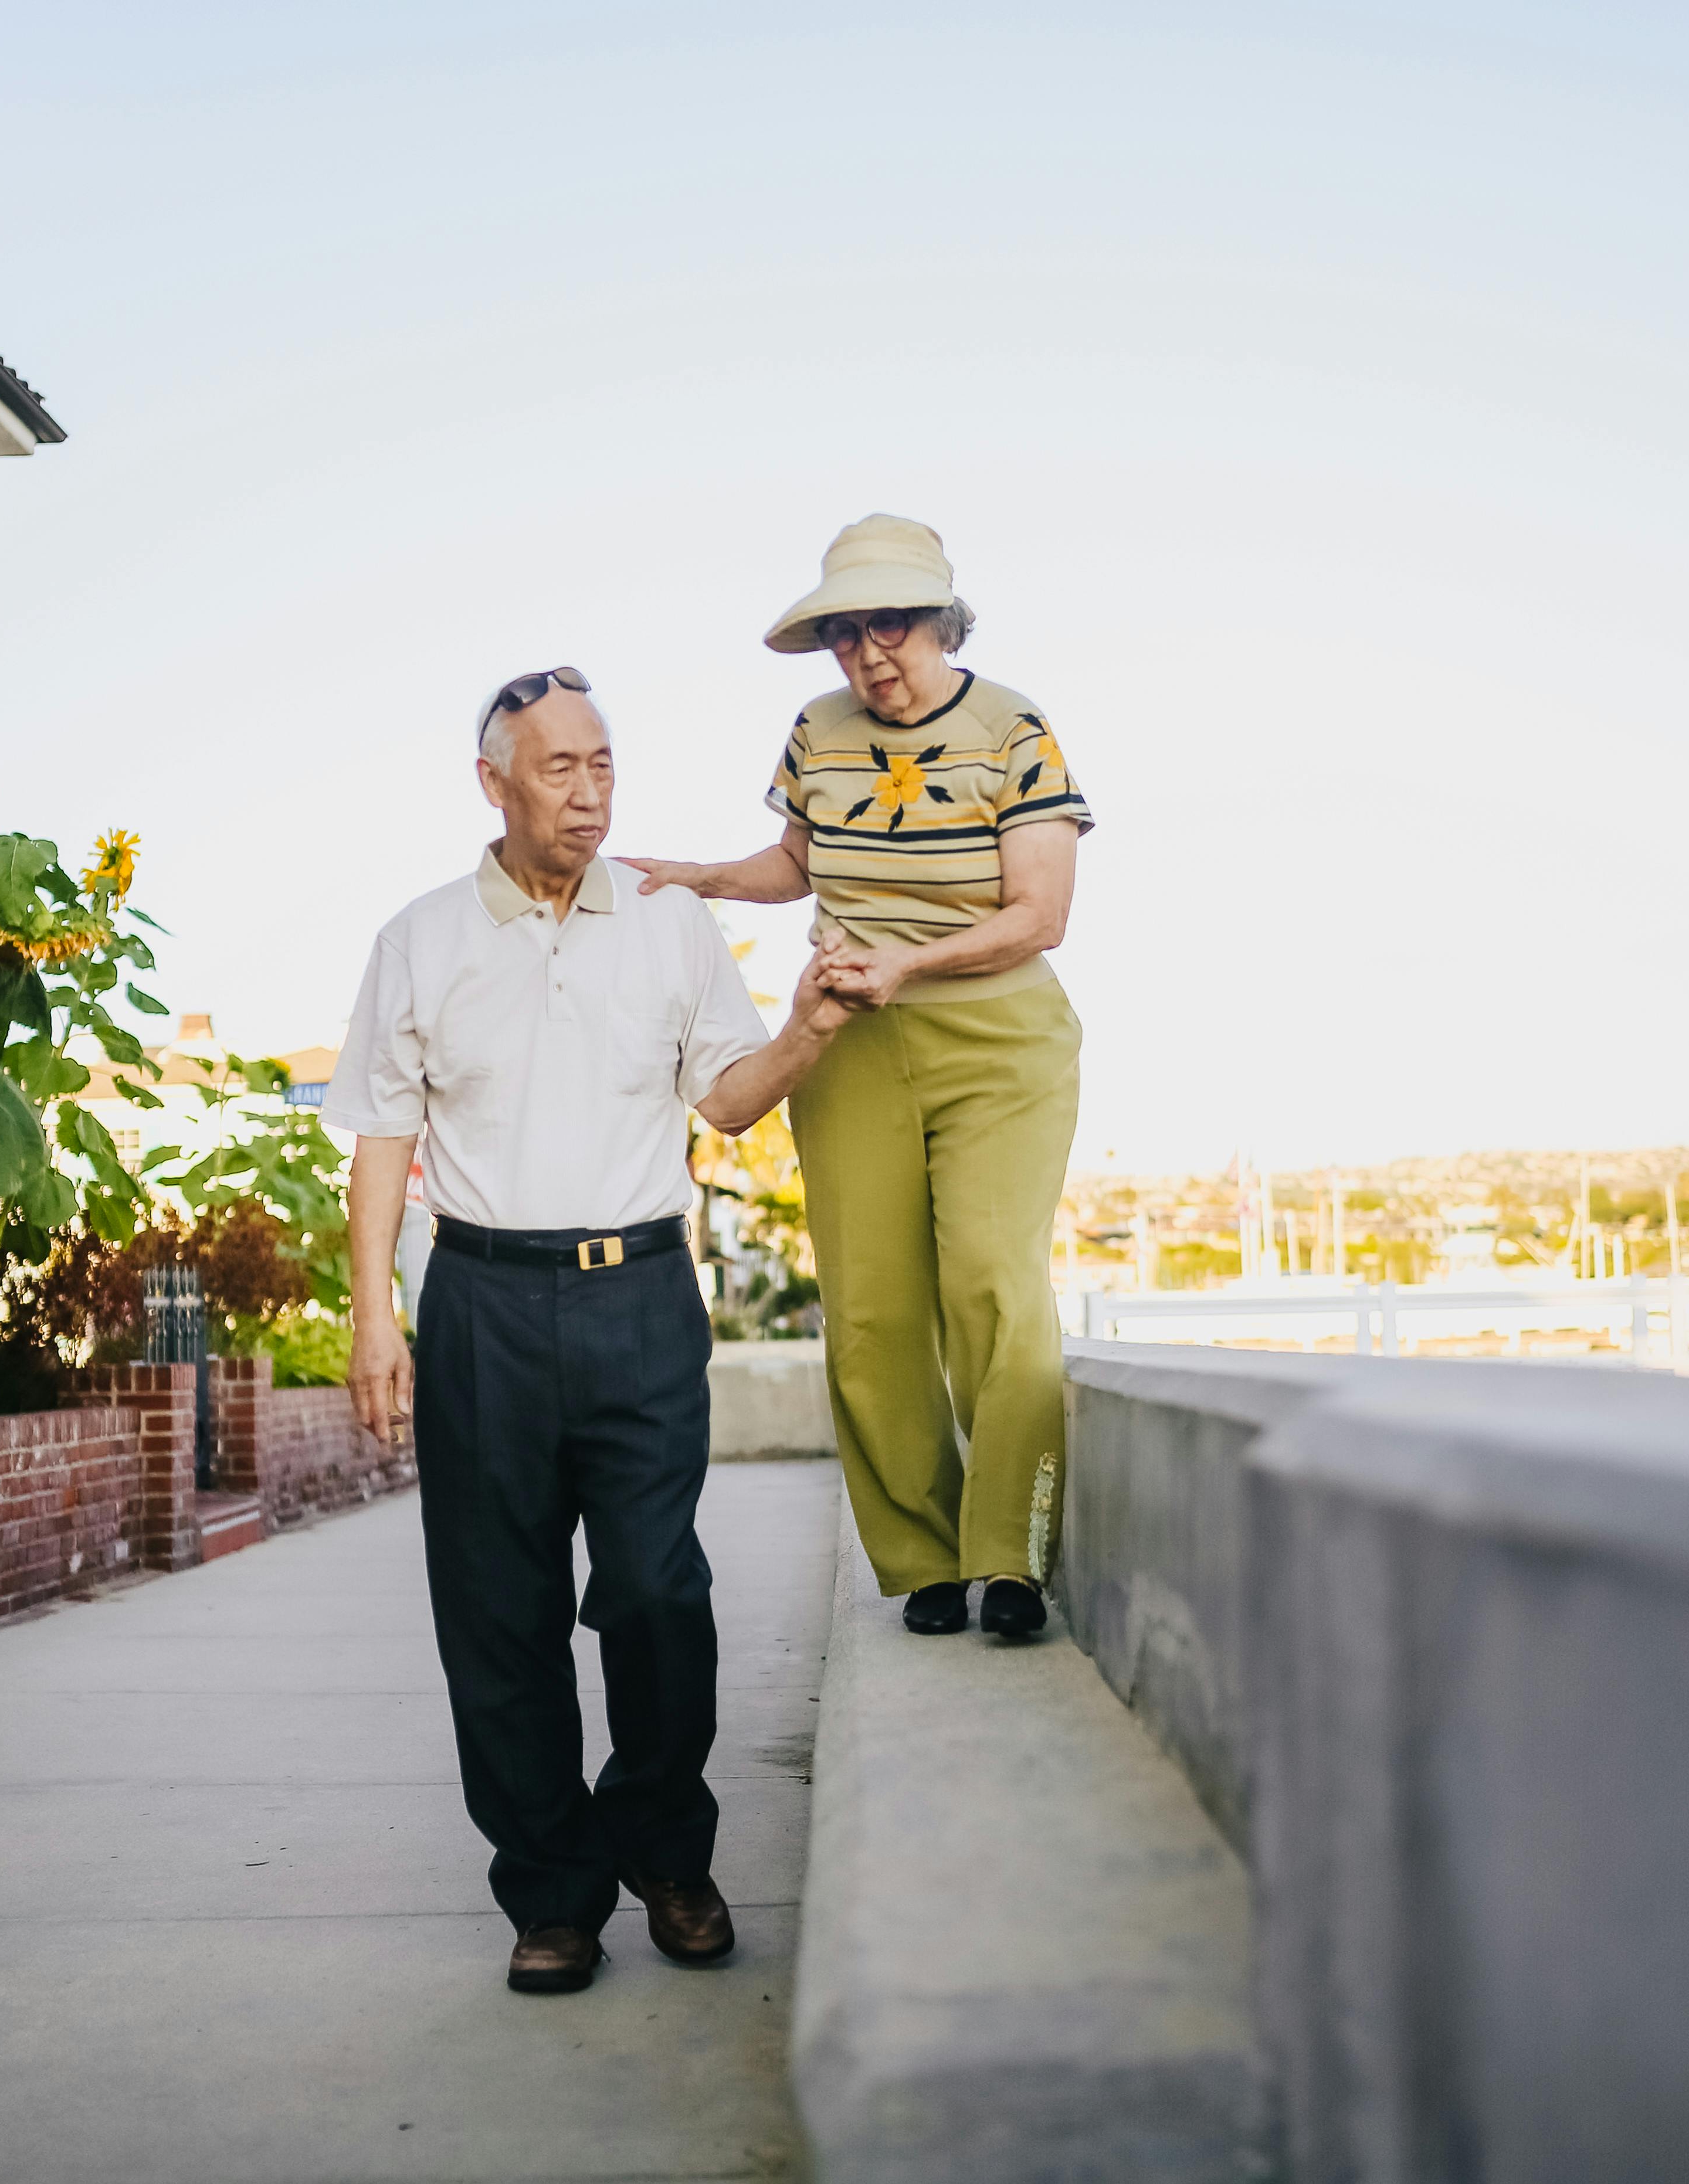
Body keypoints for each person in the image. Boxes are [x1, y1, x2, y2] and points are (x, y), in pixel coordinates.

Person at [334, 665, 860, 1996]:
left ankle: (668, 1858)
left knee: (655, 1593)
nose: (592, 789)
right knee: (498, 1617)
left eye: (605, 762)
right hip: (480, 1306)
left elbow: (729, 1102)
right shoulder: (421, 937)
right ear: (494, 784)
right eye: (561, 767)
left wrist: (803, 1033)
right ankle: (553, 1894)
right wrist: (372, 1323)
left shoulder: (671, 926)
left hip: (637, 1294)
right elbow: (383, 1142)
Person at [622, 515, 1091, 1643]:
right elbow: (800, 860)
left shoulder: (1014, 725)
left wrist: (911, 961)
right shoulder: (817, 732)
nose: (870, 654)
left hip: (999, 1042)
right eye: (846, 635)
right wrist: (702, 878)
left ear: (938, 619)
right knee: (872, 1310)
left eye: (890, 625)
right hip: (850, 1043)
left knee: (992, 1282)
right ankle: (923, 1558)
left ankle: (1012, 1559)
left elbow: (1042, 915)